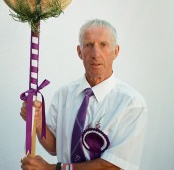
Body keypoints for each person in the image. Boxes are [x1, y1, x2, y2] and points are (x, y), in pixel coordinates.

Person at [20, 19, 147, 170]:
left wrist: (52, 169)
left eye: (103, 45)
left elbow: (113, 166)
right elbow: (54, 147)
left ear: (116, 51)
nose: (95, 54)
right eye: (88, 45)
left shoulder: (132, 103)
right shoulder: (64, 94)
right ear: (79, 52)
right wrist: (38, 122)